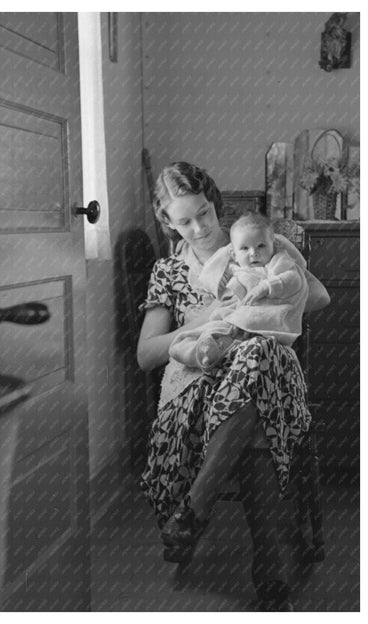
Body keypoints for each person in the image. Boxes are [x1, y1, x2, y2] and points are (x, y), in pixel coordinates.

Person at [137, 162, 330, 611]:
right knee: (258, 396)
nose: (199, 227)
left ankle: (195, 508)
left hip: (266, 371)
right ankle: (269, 570)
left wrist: (271, 289)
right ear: (167, 222)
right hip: (199, 381)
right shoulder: (168, 270)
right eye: (184, 220)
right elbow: (147, 355)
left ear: (215, 205)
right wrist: (206, 318)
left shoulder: (253, 242)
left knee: (259, 356)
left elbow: (317, 297)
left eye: (204, 213)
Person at [168, 213, 309, 370]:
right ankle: (201, 352)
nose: (253, 253)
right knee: (202, 333)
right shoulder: (237, 270)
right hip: (234, 318)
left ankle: (221, 346)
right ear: (234, 254)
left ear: (273, 245)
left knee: (236, 335)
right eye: (244, 248)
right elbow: (221, 292)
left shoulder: (278, 263)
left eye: (261, 246)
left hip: (264, 322)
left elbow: (293, 279)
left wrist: (264, 288)